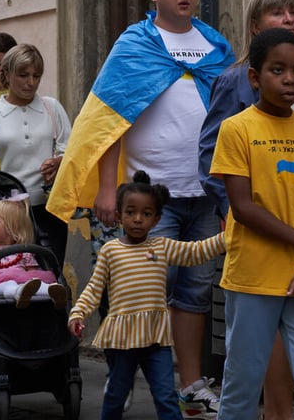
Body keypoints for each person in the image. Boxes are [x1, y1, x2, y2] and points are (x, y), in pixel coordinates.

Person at [48, 0, 234, 416]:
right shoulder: (136, 43)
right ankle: (121, 377)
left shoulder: (215, 45)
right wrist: (107, 189)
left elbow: (231, 120)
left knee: (192, 296)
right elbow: (113, 118)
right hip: (149, 201)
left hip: (206, 193)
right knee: (135, 292)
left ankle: (190, 388)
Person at [199, 0, 294, 420]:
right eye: (278, 70)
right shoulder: (237, 128)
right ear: (254, 76)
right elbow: (241, 205)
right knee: (243, 380)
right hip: (253, 273)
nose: (289, 80)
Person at [68, 170, 226, 420]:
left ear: (156, 219)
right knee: (115, 397)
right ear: (119, 216)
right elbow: (93, 289)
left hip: (156, 341)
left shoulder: (162, 246)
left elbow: (197, 251)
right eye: (131, 213)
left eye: (146, 214)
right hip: (121, 342)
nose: (138, 219)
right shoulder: (111, 251)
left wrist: (229, 237)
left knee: (165, 396)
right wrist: (78, 313)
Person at [0, 44, 71, 267]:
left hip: (49, 208)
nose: (31, 82)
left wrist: (59, 161)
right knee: (12, 275)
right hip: (9, 211)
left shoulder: (51, 107)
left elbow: (70, 149)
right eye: (23, 75)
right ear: (6, 74)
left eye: (37, 75)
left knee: (51, 274)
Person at [0, 194, 66, 308]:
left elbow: (34, 275)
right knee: (8, 285)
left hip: (25, 284)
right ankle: (18, 292)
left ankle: (51, 291)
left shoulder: (24, 252)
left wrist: (35, 283)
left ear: (12, 227)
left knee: (38, 284)